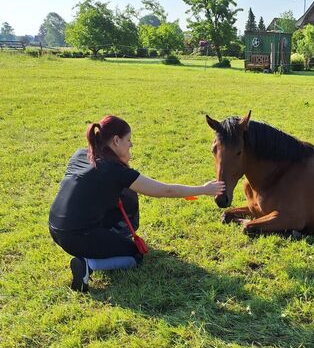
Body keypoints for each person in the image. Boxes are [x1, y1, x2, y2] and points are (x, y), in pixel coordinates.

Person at [49, 115, 225, 292]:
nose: (131, 145)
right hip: (78, 236)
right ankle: (88, 264)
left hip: (55, 229)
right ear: (116, 140)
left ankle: (96, 246)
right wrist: (203, 189)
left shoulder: (81, 154)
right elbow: (165, 191)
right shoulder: (115, 170)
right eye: (128, 140)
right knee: (135, 254)